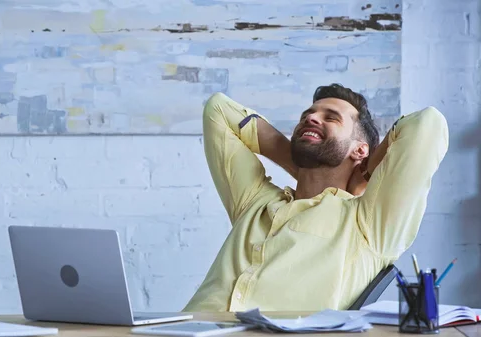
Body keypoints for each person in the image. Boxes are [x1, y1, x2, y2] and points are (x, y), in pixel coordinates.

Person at [183, 84, 449, 312]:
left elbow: (428, 124)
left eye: (331, 118)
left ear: (360, 150)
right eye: (307, 116)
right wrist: (299, 160)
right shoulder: (254, 201)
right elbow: (217, 109)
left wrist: (364, 172)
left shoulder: (368, 224)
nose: (311, 119)